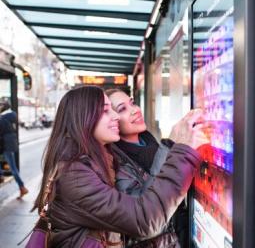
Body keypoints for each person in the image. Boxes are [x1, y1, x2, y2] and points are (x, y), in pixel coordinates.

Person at [33, 86, 208, 248]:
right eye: (105, 110)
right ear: (83, 119)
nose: (115, 116)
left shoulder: (97, 161)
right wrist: (181, 151)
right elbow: (144, 220)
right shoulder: (75, 176)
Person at [105, 88, 195, 247]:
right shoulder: (116, 164)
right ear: (112, 120)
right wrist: (170, 147)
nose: (134, 110)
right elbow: (145, 213)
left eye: (131, 103)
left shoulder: (150, 141)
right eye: (122, 109)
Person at [0, 101, 28, 198]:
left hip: (5, 145)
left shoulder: (3, 118)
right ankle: (1, 176)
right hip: (10, 144)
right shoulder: (11, 116)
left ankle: (22, 187)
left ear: (3, 107)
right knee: (12, 166)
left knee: (13, 168)